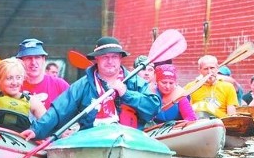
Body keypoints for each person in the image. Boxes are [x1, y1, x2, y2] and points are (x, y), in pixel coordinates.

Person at [20, 36, 161, 140]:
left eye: (114, 56)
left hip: (131, 139)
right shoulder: (83, 85)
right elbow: (58, 111)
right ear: (96, 60)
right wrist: (36, 130)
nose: (110, 61)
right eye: (105, 57)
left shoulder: (135, 82)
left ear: (120, 59)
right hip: (93, 139)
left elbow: (154, 107)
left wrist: (126, 93)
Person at [15, 38, 69, 109]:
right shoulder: (14, 86)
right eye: (28, 58)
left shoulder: (60, 85)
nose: (33, 63)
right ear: (20, 61)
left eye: (37, 57)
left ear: (43, 60)